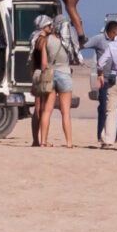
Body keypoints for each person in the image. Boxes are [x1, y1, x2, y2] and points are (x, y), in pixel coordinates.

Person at [29, 14, 77, 147]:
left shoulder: (45, 40)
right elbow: (75, 58)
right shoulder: (69, 42)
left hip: (50, 75)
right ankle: (69, 142)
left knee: (46, 110)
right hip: (65, 74)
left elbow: (44, 64)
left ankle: (42, 141)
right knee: (65, 112)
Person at [86, 18, 117, 147]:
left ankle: (115, 136)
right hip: (104, 79)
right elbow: (84, 45)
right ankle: (101, 136)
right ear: (111, 32)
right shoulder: (99, 39)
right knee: (104, 108)